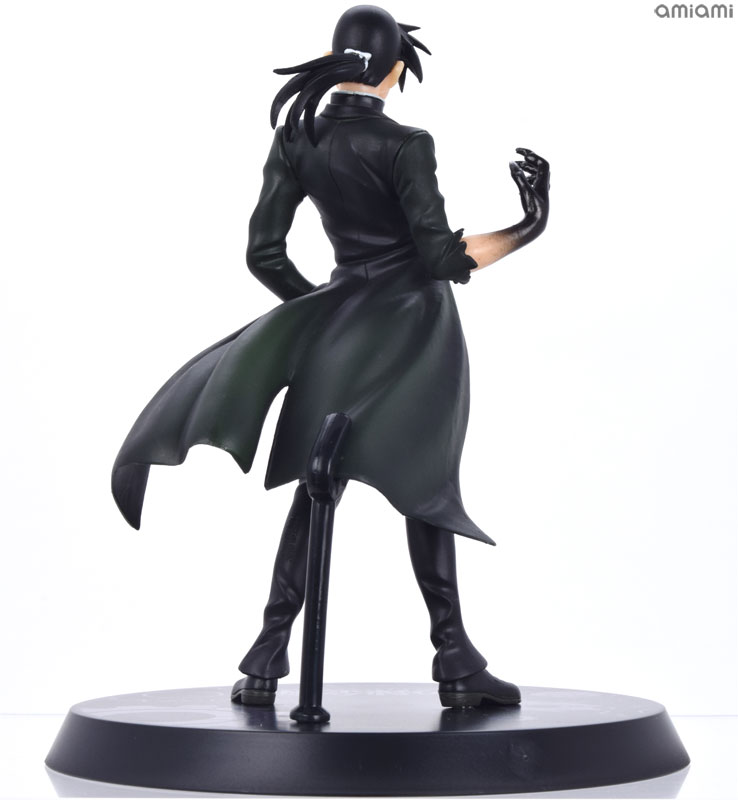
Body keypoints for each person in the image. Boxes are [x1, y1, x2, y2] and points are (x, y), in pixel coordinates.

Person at [112, 5, 550, 709]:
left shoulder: (297, 136)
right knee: (427, 488)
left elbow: (263, 254)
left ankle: (267, 653)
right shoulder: (407, 144)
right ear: (397, 71)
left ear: (333, 57)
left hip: (344, 328)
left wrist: (328, 310)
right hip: (416, 334)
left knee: (320, 484)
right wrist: (529, 224)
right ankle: (454, 659)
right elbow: (442, 258)